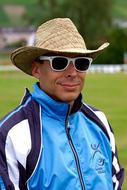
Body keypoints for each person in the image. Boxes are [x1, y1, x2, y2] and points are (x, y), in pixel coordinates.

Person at [0, 18, 124, 190]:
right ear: (36, 69)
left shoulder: (99, 121)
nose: (73, 73)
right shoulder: (12, 134)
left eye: (81, 63)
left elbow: (114, 181)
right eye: (60, 62)